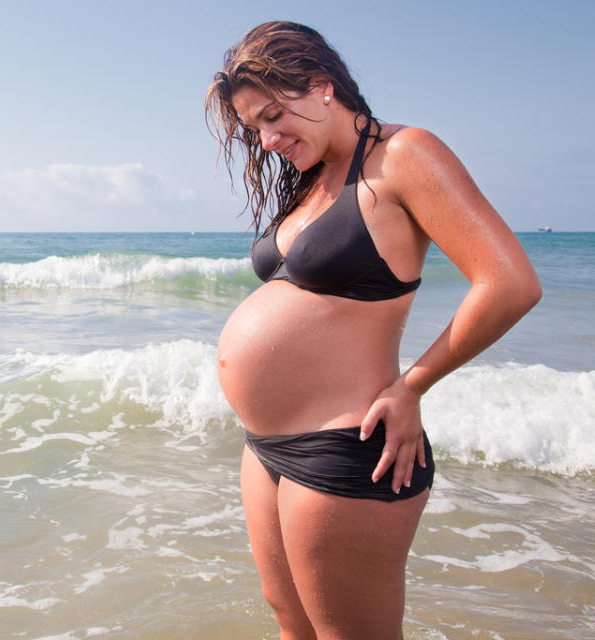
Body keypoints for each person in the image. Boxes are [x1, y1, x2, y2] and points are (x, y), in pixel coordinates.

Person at [205, 21, 541, 639]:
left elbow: (509, 283)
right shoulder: (312, 178)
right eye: (255, 127)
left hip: (347, 448)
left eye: (276, 115)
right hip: (267, 448)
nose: (269, 138)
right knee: (291, 622)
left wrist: (412, 385)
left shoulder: (404, 155)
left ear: (322, 85)